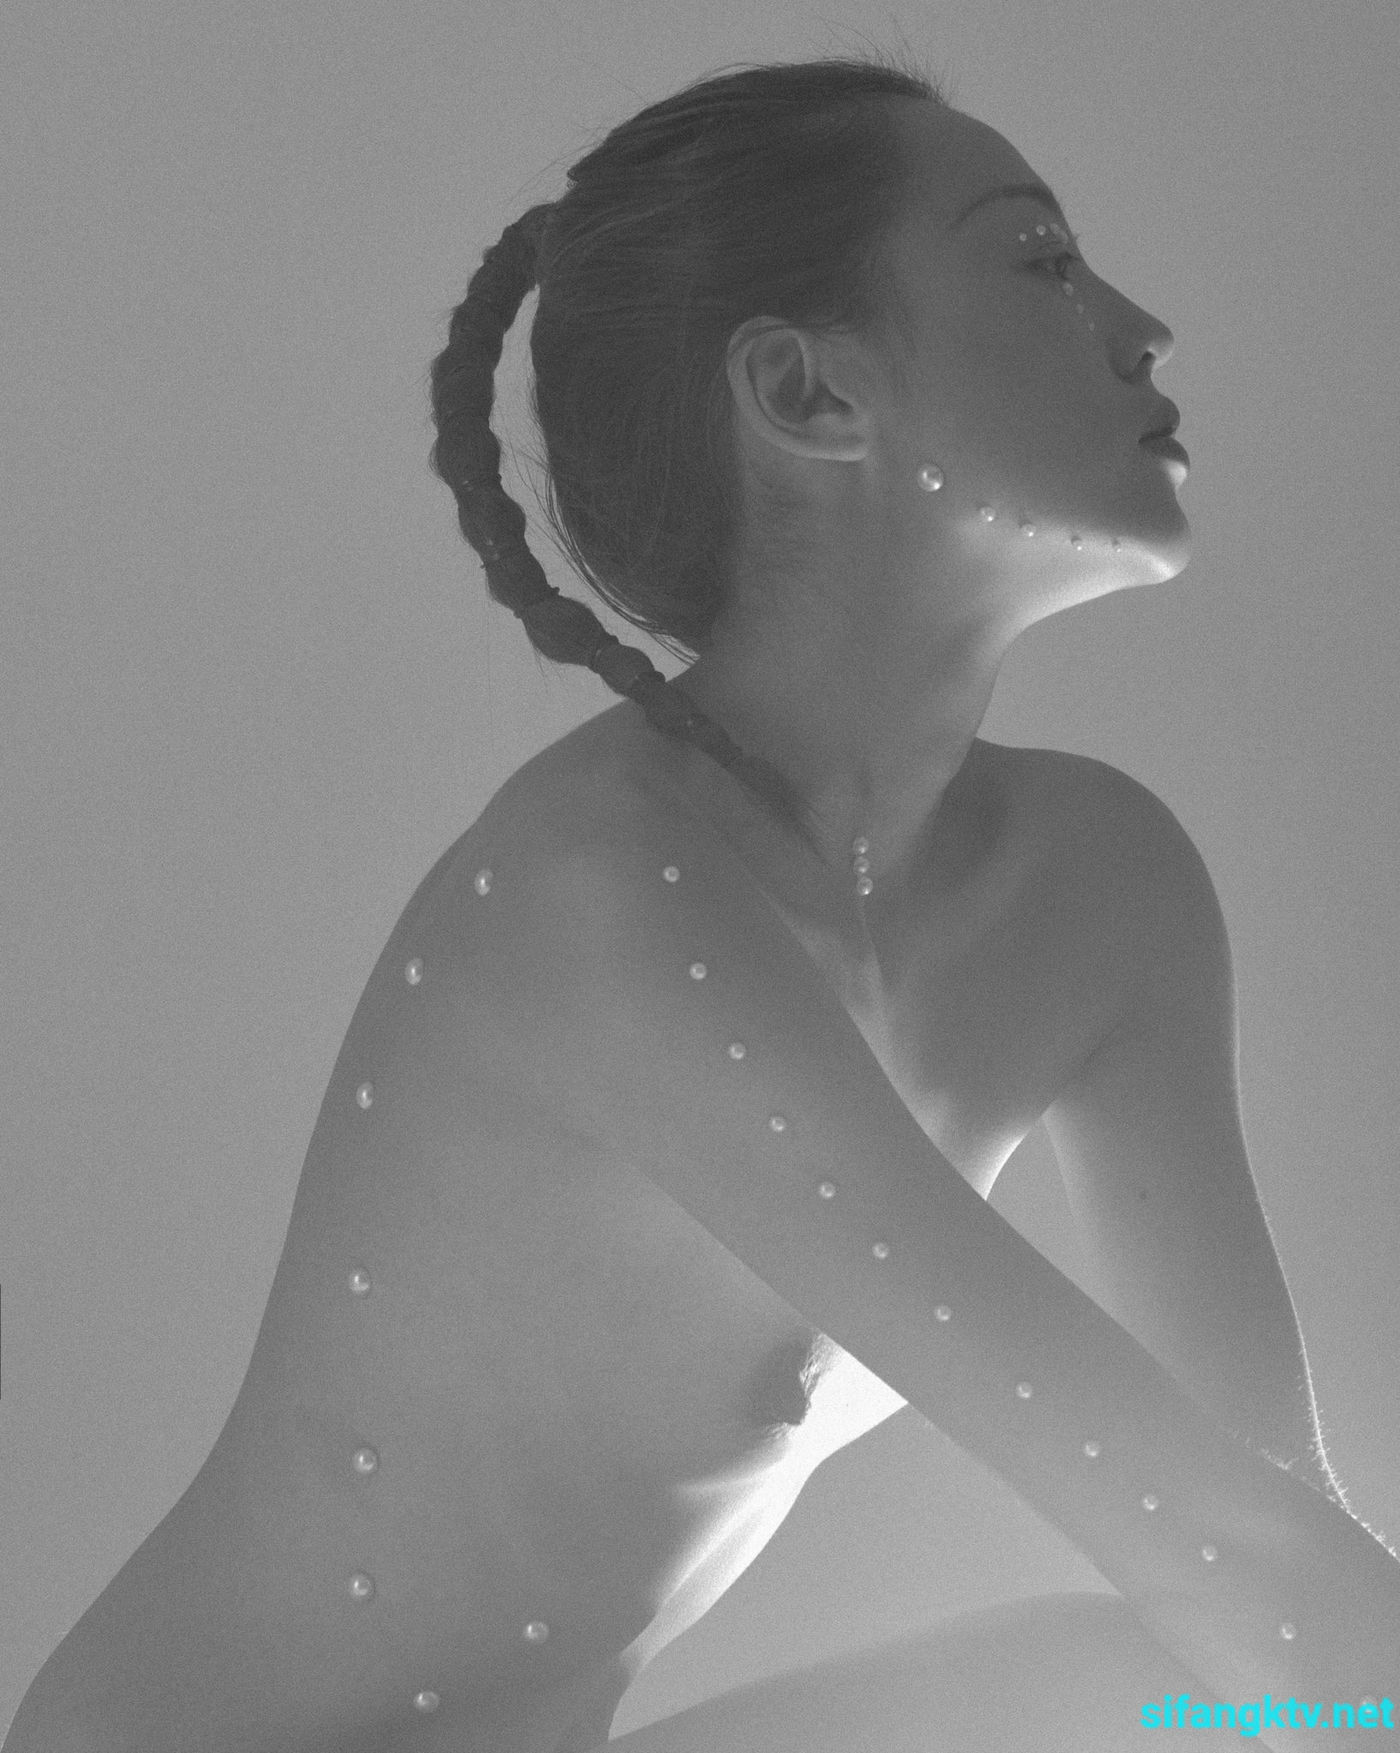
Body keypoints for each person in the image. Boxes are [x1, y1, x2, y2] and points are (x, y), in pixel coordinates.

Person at [7, 48, 1399, 1753]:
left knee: (1168, 1684)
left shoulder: (1109, 887)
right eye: (1042, 259)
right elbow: (1218, 1540)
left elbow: (1271, 1522)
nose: (1143, 327)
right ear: (807, 393)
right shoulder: (607, 904)